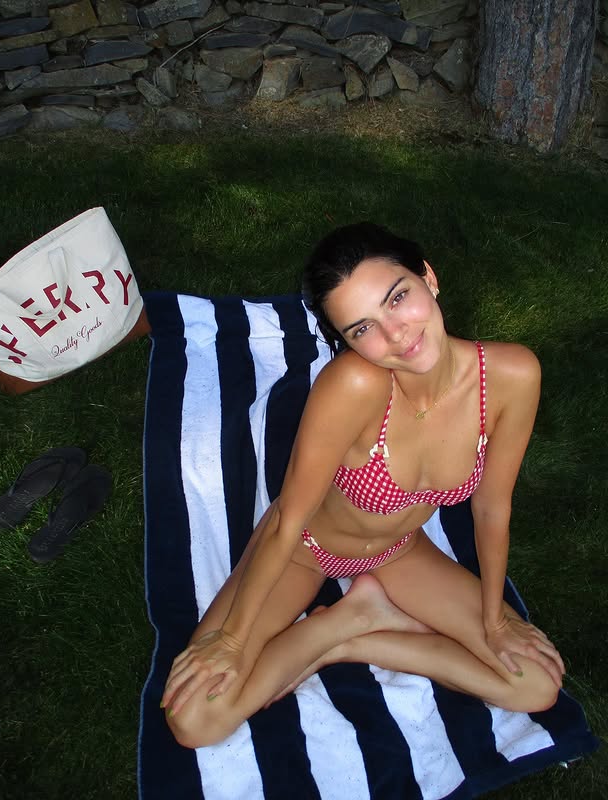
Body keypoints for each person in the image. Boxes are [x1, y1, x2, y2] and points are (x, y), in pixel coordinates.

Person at [161, 222, 565, 749]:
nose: (395, 334)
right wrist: (233, 642)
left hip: (400, 552)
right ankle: (335, 626)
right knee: (195, 720)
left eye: (398, 297)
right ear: (346, 342)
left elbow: (492, 508)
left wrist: (495, 621)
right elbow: (288, 520)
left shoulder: (512, 376)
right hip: (306, 550)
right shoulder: (356, 384)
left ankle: (351, 639)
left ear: (428, 278)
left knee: (535, 686)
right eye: (361, 328)